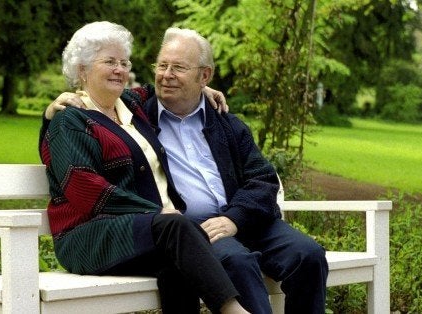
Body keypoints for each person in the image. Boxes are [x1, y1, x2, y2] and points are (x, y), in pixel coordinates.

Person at [47, 26, 329, 314]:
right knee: (236, 261)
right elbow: (80, 131)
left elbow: (264, 179)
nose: (166, 75)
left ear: (203, 76)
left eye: (179, 68)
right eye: (162, 66)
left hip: (240, 219)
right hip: (190, 230)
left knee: (308, 255)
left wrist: (235, 219)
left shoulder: (223, 122)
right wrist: (51, 111)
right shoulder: (142, 112)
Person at [38, 21, 248, 314]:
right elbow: (84, 188)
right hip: (86, 238)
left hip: (142, 232)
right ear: (82, 70)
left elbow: (162, 85)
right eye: (110, 62)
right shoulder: (70, 120)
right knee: (177, 226)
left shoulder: (129, 105)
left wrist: (201, 85)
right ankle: (234, 311)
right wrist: (154, 212)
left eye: (124, 63)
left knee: (178, 262)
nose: (120, 70)